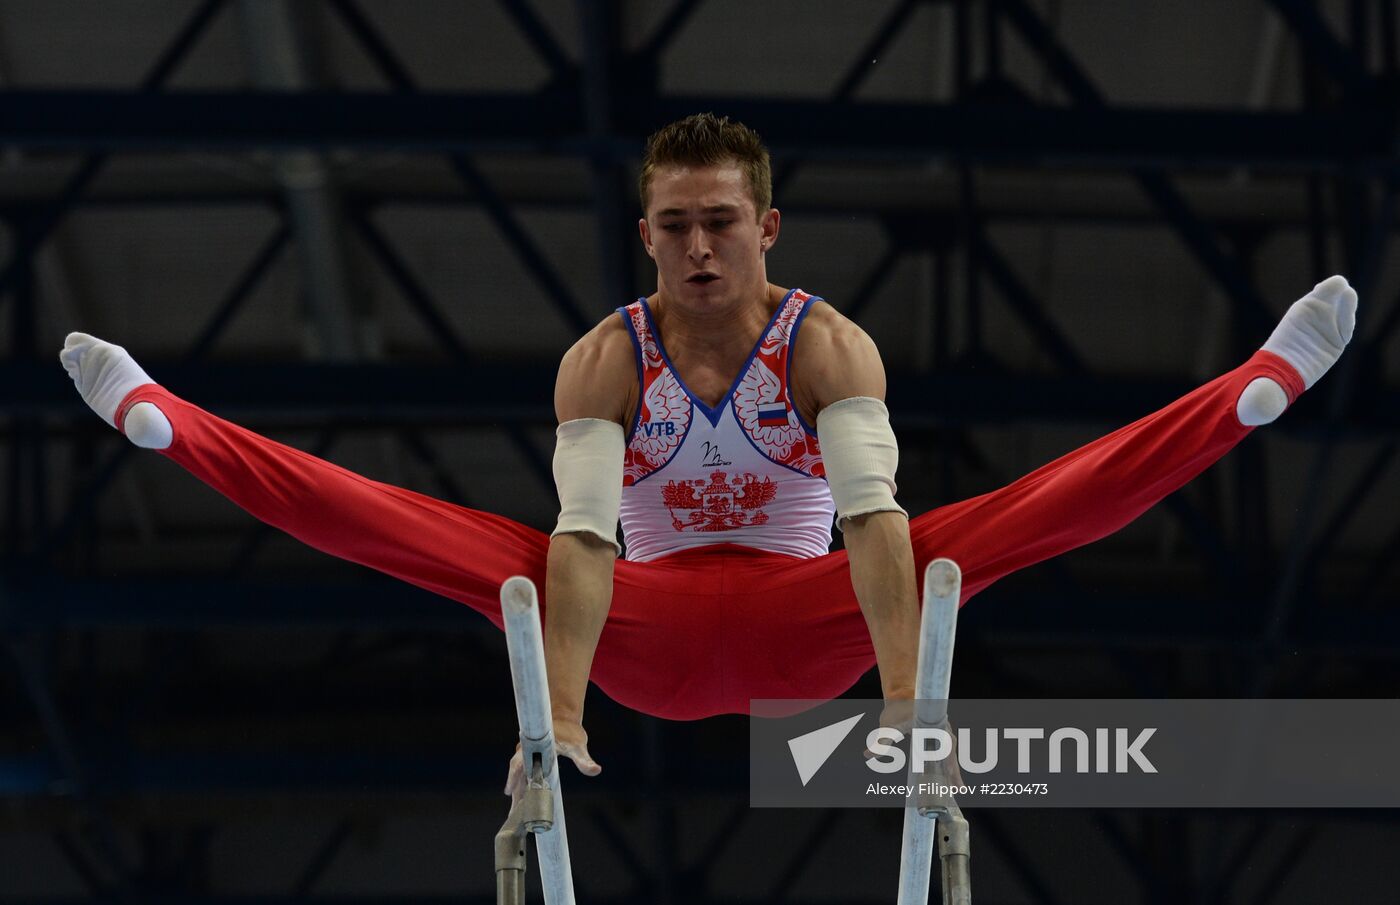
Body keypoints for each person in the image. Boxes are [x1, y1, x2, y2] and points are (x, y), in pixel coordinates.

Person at [59, 114, 1356, 802]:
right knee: (480, 556)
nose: (698, 248)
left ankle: (1250, 391)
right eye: (674, 225)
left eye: (721, 222)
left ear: (768, 226)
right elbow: (581, 541)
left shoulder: (830, 348)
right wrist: (554, 718)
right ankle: (174, 423)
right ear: (644, 233)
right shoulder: (602, 361)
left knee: (977, 532)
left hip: (813, 631)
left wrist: (908, 714)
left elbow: (870, 533)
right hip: (648, 638)